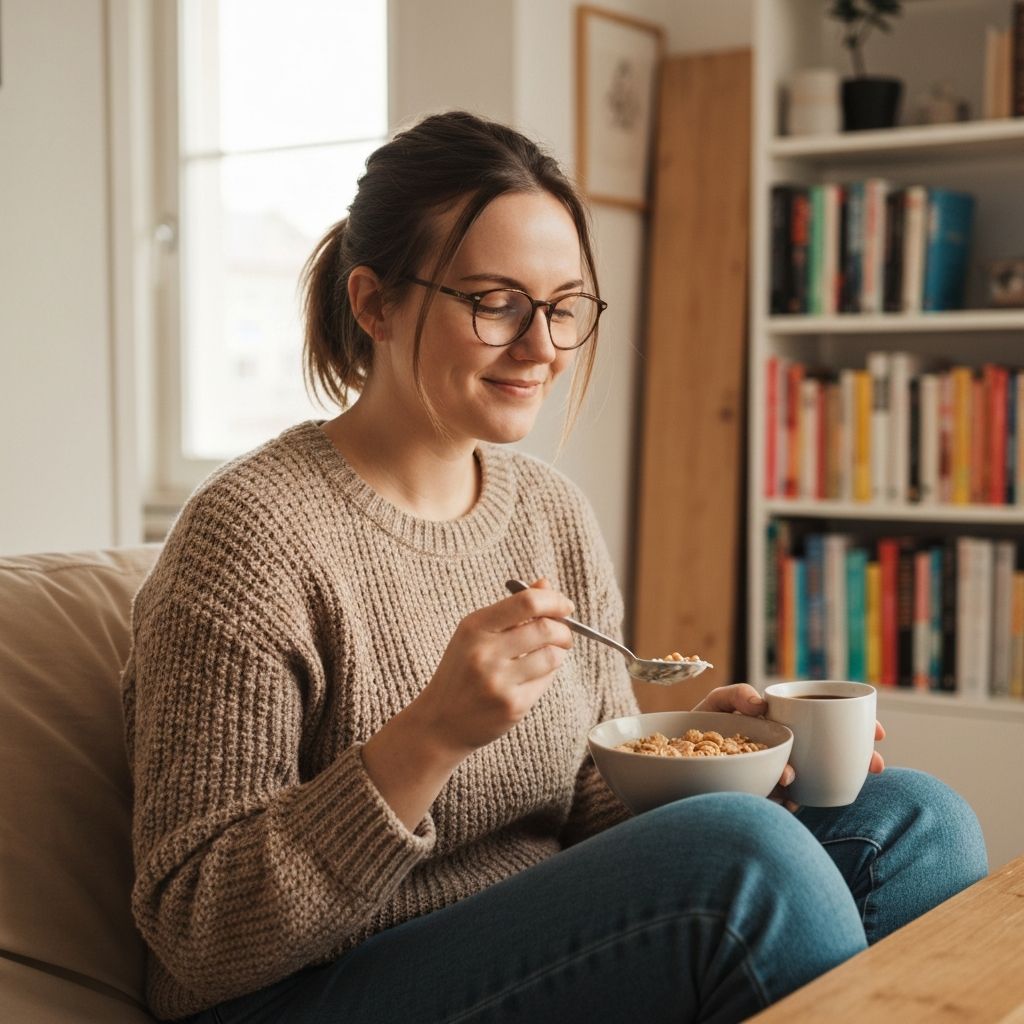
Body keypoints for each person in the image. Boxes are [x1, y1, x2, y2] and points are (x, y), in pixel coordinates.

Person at [121, 111, 987, 1024]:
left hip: (525, 949)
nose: (542, 349)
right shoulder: (248, 538)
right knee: (744, 862)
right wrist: (429, 738)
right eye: (495, 302)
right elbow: (198, 936)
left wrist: (719, 766)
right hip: (306, 990)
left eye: (564, 307)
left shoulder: (546, 510)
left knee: (921, 824)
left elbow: (586, 812)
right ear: (374, 303)